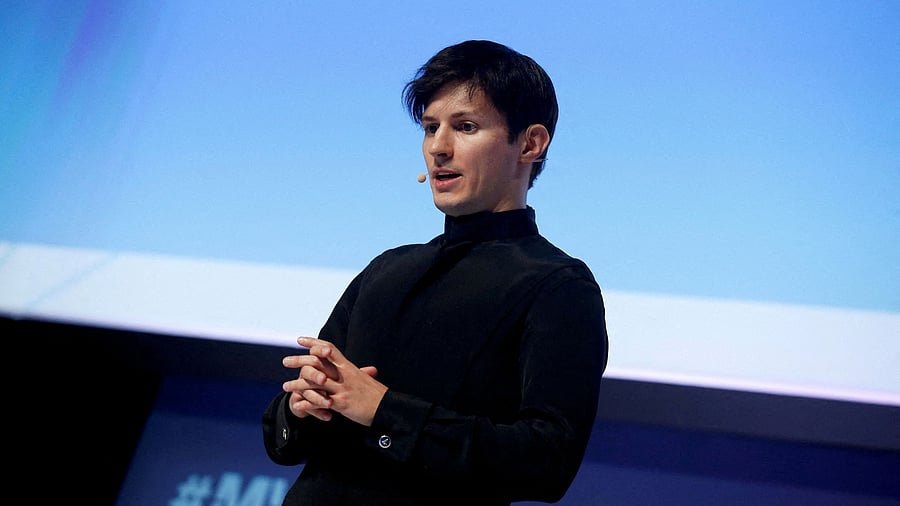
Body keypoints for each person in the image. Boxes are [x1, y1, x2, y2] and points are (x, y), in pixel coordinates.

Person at [262, 39, 609, 505]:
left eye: (465, 127)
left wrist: (383, 411)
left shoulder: (557, 286)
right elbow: (283, 440)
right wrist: (304, 407)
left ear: (530, 142)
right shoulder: (388, 268)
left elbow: (547, 462)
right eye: (430, 128)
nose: (439, 148)